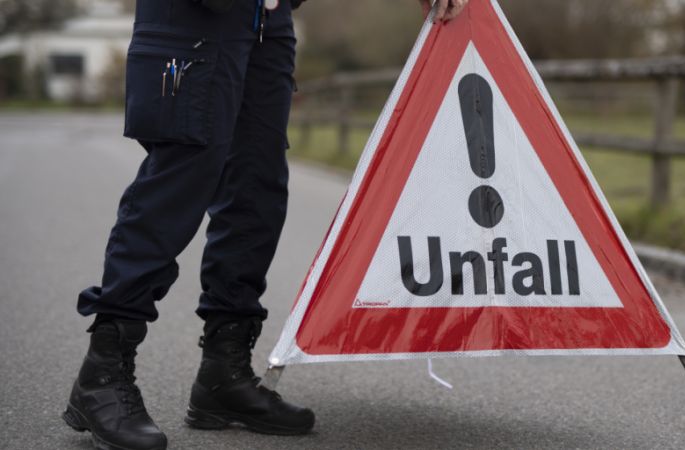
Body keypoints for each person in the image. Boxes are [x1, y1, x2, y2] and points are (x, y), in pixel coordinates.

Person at [61, 0, 469, 449]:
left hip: (266, 20)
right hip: (195, 15)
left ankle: (224, 371)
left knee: (257, 188)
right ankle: (104, 370)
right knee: (179, 181)